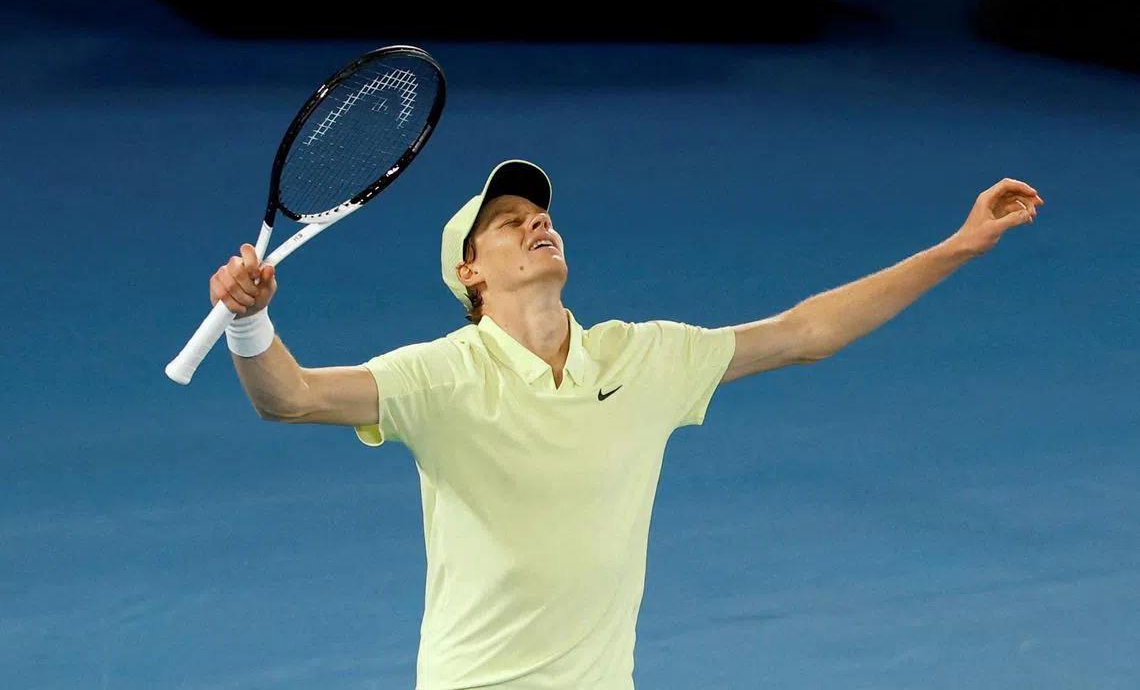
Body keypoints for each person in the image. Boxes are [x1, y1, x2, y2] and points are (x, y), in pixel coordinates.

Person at [210, 159, 1043, 689]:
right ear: (470, 273)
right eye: (508, 222)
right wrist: (249, 325)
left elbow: (805, 332)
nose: (537, 222)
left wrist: (960, 246)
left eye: (539, 213)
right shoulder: (440, 375)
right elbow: (291, 397)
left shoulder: (641, 359)